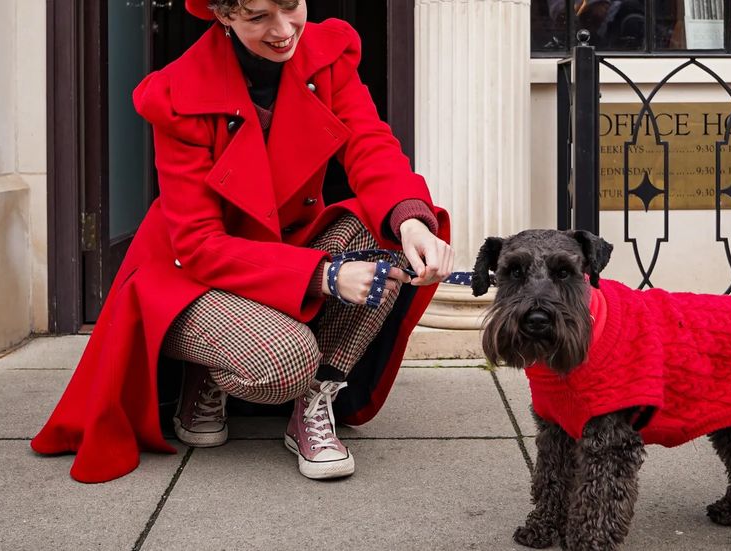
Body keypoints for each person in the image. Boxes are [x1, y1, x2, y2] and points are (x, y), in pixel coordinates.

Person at [31, 0, 453, 483]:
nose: (283, 30)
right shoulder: (179, 90)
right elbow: (199, 244)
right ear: (222, 14)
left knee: (390, 241)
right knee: (285, 361)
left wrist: (410, 219)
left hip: (281, 251)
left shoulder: (326, 53)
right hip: (191, 273)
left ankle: (313, 405)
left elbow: (369, 143)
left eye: (291, 5)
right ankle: (205, 375)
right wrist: (327, 275)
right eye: (257, 17)